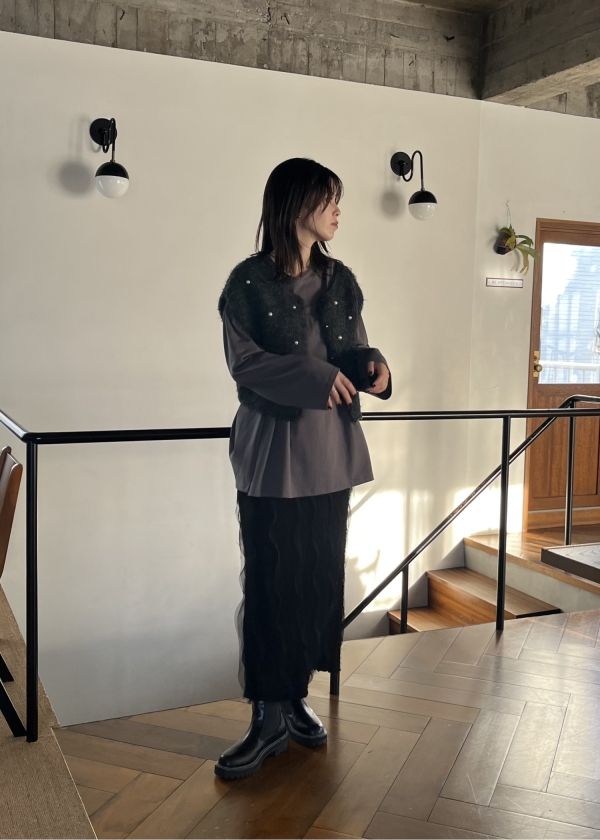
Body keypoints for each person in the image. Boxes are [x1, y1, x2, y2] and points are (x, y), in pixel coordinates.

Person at [215, 157, 391, 780]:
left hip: (331, 453)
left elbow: (353, 346)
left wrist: (374, 368)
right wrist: (315, 376)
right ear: (296, 205)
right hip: (273, 454)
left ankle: (294, 700)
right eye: (329, 198)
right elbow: (246, 365)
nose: (339, 210)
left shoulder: (340, 280)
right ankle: (265, 715)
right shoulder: (247, 283)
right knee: (271, 582)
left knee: (317, 578)